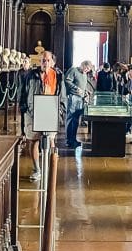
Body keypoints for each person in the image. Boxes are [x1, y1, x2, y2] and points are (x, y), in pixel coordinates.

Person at [20, 50, 66, 180]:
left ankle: (51, 167)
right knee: (33, 140)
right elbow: (23, 92)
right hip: (32, 111)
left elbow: (61, 95)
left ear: (53, 62)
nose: (45, 63)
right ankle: (37, 169)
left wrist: (60, 111)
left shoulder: (57, 76)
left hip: (50, 110)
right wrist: (24, 108)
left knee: (51, 139)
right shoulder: (30, 75)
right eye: (43, 60)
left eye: (47, 60)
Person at [64, 59, 94, 149]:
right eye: (87, 68)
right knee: (70, 119)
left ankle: (74, 139)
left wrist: (86, 92)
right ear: (83, 65)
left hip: (80, 99)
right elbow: (67, 80)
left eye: (88, 69)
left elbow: (83, 86)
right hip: (73, 97)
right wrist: (76, 88)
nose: (87, 70)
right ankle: (69, 140)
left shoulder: (84, 74)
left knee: (76, 120)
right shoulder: (73, 70)